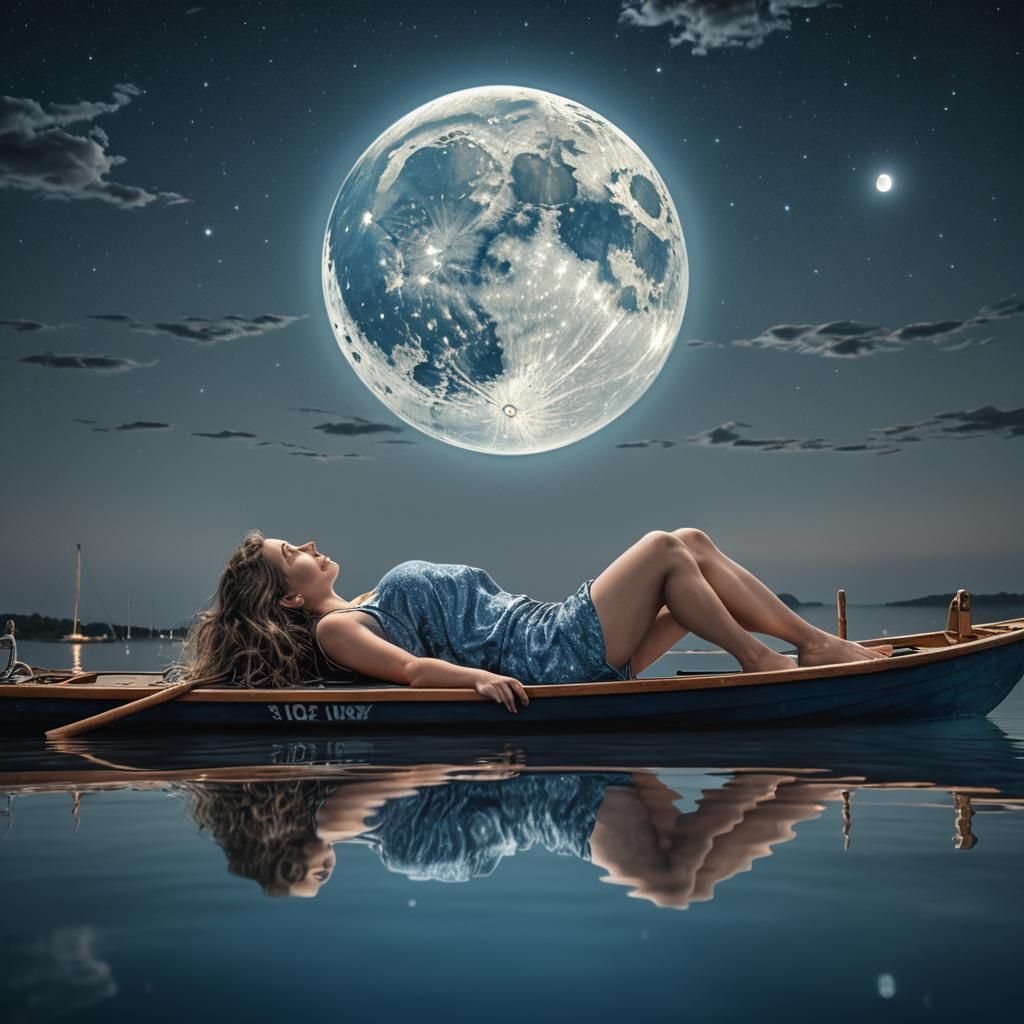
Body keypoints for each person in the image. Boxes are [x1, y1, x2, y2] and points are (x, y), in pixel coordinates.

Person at [175, 528, 892, 710]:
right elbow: (412, 671)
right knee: (666, 548)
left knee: (691, 548)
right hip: (544, 653)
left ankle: (814, 645)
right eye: (291, 554)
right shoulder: (337, 628)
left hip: (547, 631)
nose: (306, 545)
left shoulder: (363, 604)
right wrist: (476, 680)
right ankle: (769, 660)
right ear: (289, 600)